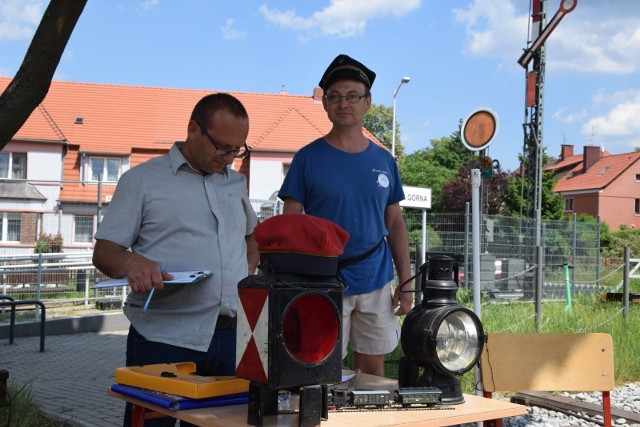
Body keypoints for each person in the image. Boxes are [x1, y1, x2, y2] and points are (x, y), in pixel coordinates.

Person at [92, 93, 259, 426]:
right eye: (222, 147)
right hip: (163, 339)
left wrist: (247, 271)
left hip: (230, 336)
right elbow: (105, 253)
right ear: (193, 129)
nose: (229, 158)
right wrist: (133, 263)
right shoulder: (142, 181)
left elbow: (251, 237)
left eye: (237, 150)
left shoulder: (236, 184)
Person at [278, 54, 413, 377]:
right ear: (324, 104)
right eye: (335, 97)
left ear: (367, 102)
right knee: (316, 367)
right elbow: (291, 225)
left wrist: (406, 284)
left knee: (372, 369)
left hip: (375, 280)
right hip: (321, 282)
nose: (344, 104)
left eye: (353, 96)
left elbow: (394, 223)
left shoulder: (384, 160)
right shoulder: (307, 159)